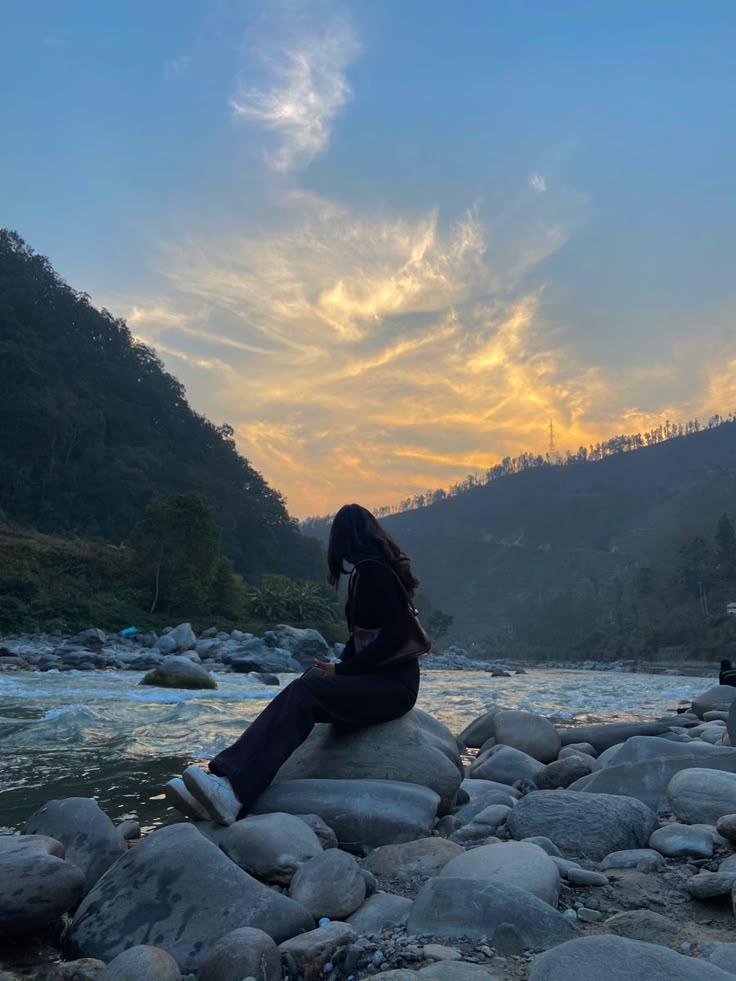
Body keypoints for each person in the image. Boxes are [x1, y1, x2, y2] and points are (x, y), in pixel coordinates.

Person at [165, 503, 425, 825]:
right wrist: (335, 666)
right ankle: (226, 781)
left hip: (393, 688)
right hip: (383, 682)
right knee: (309, 681)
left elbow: (395, 637)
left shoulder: (373, 571)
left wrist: (342, 672)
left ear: (344, 538)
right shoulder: (371, 570)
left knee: (306, 693)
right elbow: (360, 640)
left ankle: (232, 791)